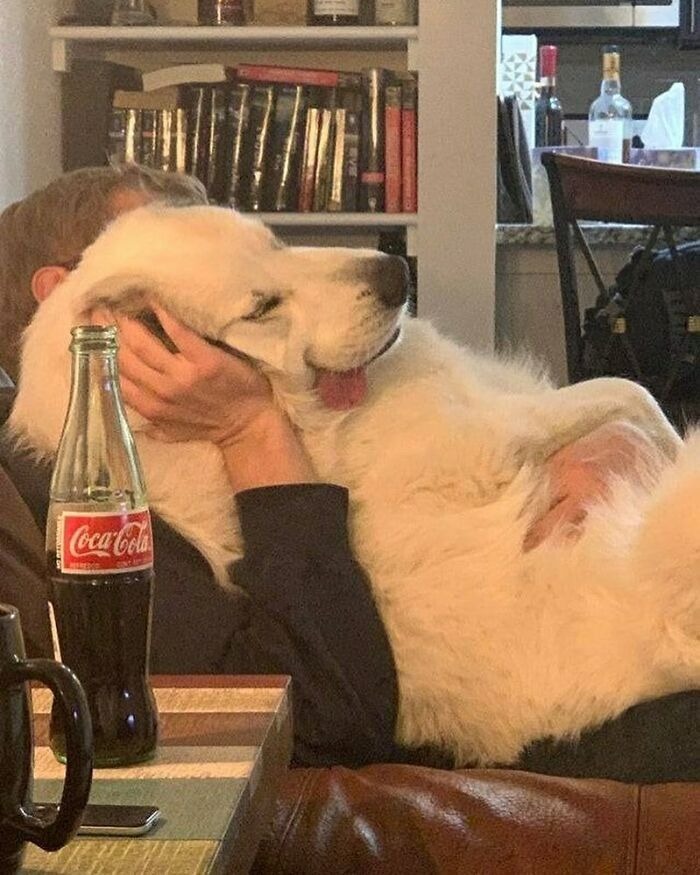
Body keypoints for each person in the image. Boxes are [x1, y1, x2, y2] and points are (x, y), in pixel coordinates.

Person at [0, 166, 697, 781]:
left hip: (594, 587)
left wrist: (621, 438)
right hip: (552, 682)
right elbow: (331, 711)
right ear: (72, 296)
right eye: (254, 305)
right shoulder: (95, 516)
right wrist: (252, 431)